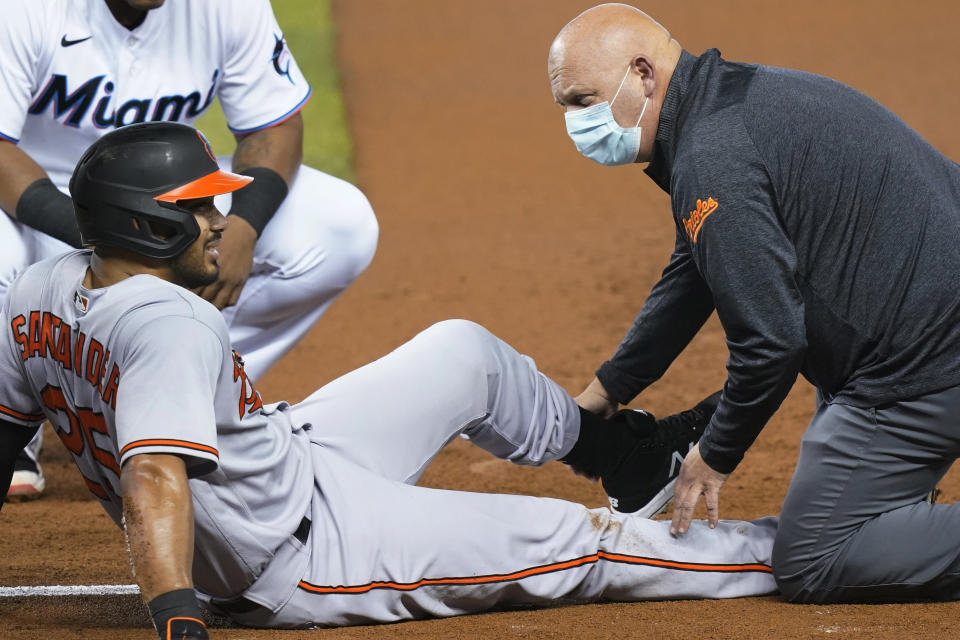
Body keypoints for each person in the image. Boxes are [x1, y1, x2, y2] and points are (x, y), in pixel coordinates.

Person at [0, 121, 777, 639]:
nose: (219, 223)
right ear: (145, 224)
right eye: (196, 209)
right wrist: (176, 613)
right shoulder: (171, 322)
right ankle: (792, 552)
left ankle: (619, 456)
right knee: (579, 544)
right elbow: (155, 478)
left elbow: (5, 428)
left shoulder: (36, 292)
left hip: (294, 456)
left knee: (461, 352)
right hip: (306, 558)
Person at [548, 2, 960, 604]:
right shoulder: (728, 101)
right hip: (929, 320)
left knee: (814, 557)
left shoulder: (711, 156)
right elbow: (695, 267)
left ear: (642, 73)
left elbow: (772, 343)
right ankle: (892, 489)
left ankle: (891, 498)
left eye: (582, 101)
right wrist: (610, 389)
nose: (574, 122)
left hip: (923, 368)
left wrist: (712, 454)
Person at [0, 0, 379, 499]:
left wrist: (243, 225)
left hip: (169, 200)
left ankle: (182, 393)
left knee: (341, 225)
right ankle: (20, 406)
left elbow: (274, 124)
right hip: (31, 198)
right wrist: (113, 236)